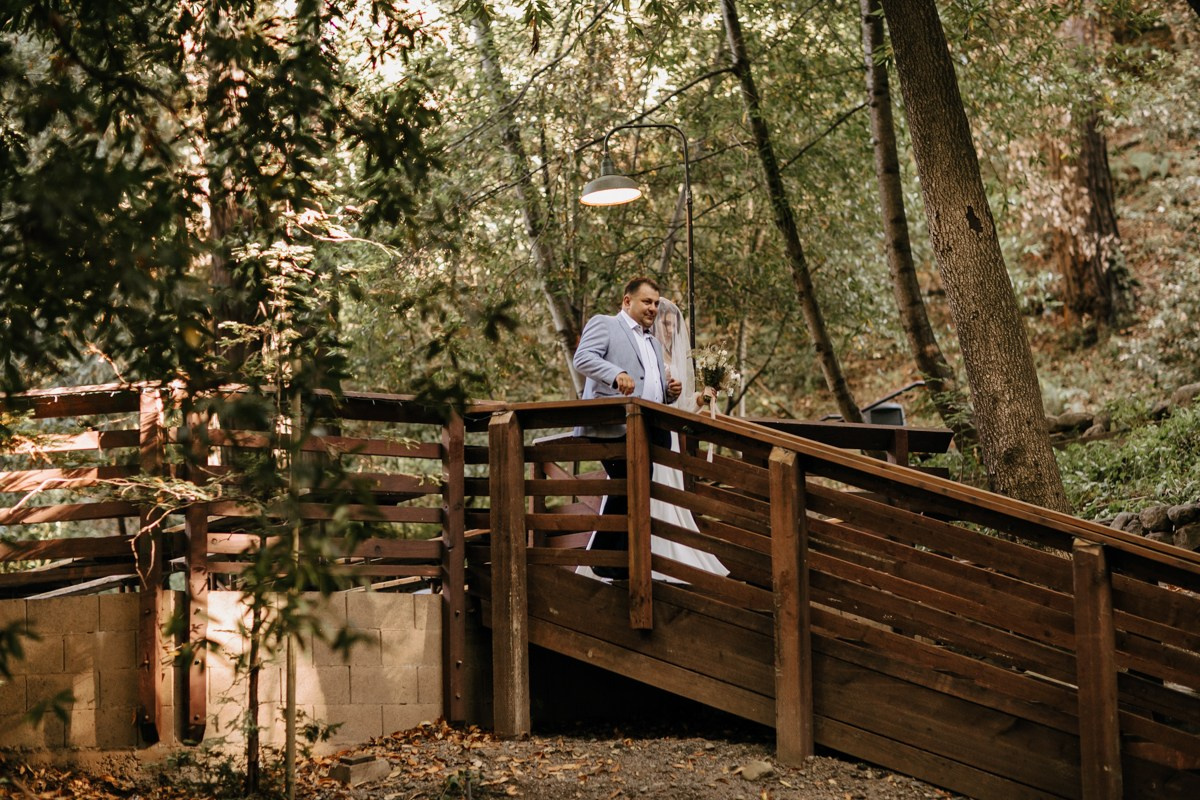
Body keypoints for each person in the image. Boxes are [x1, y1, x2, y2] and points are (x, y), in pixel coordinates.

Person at [573, 276, 681, 578]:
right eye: (647, 301)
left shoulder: (654, 343)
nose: (653, 308)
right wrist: (615, 373)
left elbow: (651, 387)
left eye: (656, 303)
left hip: (647, 429)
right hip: (612, 426)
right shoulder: (605, 324)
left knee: (636, 487)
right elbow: (583, 358)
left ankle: (615, 559)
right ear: (627, 301)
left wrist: (669, 392)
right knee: (629, 482)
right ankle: (607, 559)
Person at [647, 298, 728, 581]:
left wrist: (702, 398)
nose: (670, 330)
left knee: (669, 491)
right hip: (649, 429)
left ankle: (672, 555)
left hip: (669, 434)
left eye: (673, 325)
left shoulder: (675, 359)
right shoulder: (645, 352)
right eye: (665, 324)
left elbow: (681, 406)